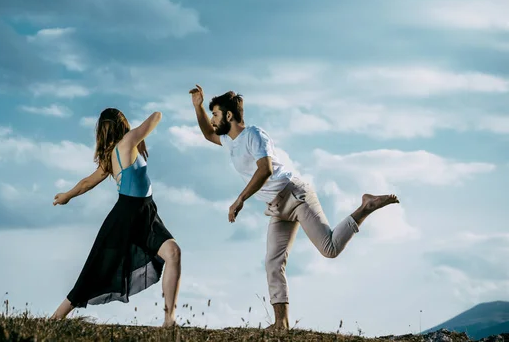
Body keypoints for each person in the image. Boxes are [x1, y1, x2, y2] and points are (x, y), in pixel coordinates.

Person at [189, 85, 399, 330]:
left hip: (296, 195)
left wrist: (240, 199)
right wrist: (198, 107)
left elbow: (265, 169)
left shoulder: (253, 135)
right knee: (272, 263)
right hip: (277, 208)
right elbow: (207, 133)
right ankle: (282, 323)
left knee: (329, 249)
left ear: (228, 116)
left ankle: (366, 206)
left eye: (215, 115)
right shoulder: (228, 141)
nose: (212, 121)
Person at [50, 108, 181, 327]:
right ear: (123, 125)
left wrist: (66, 196)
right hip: (125, 216)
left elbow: (86, 183)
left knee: (173, 253)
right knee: (94, 270)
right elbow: (157, 115)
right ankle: (54, 319)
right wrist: (139, 136)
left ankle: (170, 320)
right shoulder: (128, 141)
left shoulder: (114, 153)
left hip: (147, 213)